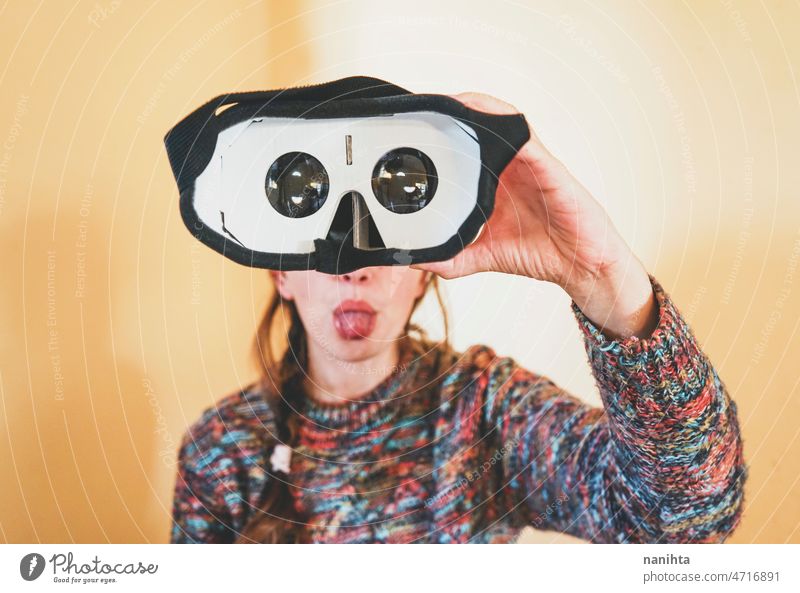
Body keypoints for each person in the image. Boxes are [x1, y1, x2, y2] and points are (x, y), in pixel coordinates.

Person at [169, 92, 747, 544]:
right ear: (279, 272)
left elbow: (689, 515)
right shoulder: (223, 448)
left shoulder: (479, 410)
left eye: (384, 237)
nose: (352, 268)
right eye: (316, 238)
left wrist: (600, 277)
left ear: (426, 269)